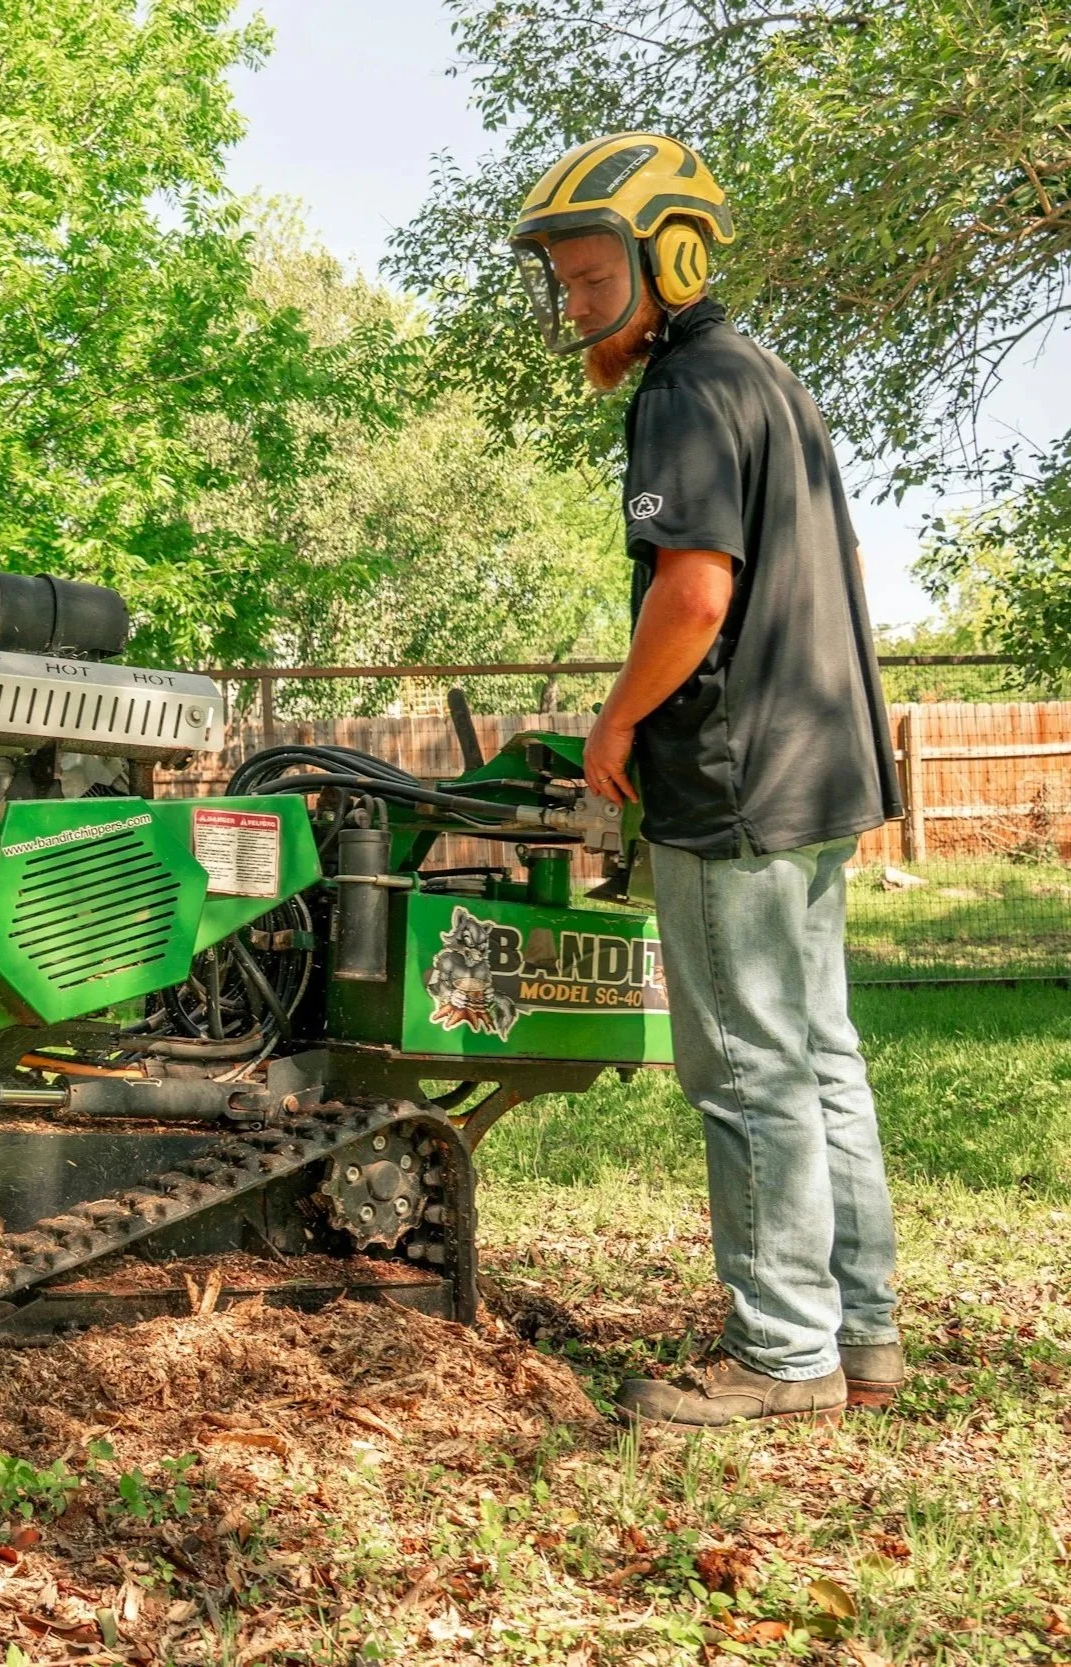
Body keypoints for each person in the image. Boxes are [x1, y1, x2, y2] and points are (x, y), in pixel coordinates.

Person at [508, 133, 906, 1426]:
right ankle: (857, 1330)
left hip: (732, 776)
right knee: (817, 1052)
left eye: (583, 277)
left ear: (663, 258)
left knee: (743, 1066)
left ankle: (781, 1355)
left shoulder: (682, 388)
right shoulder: (770, 378)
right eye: (562, 283)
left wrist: (614, 725)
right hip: (820, 766)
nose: (570, 304)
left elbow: (693, 591)